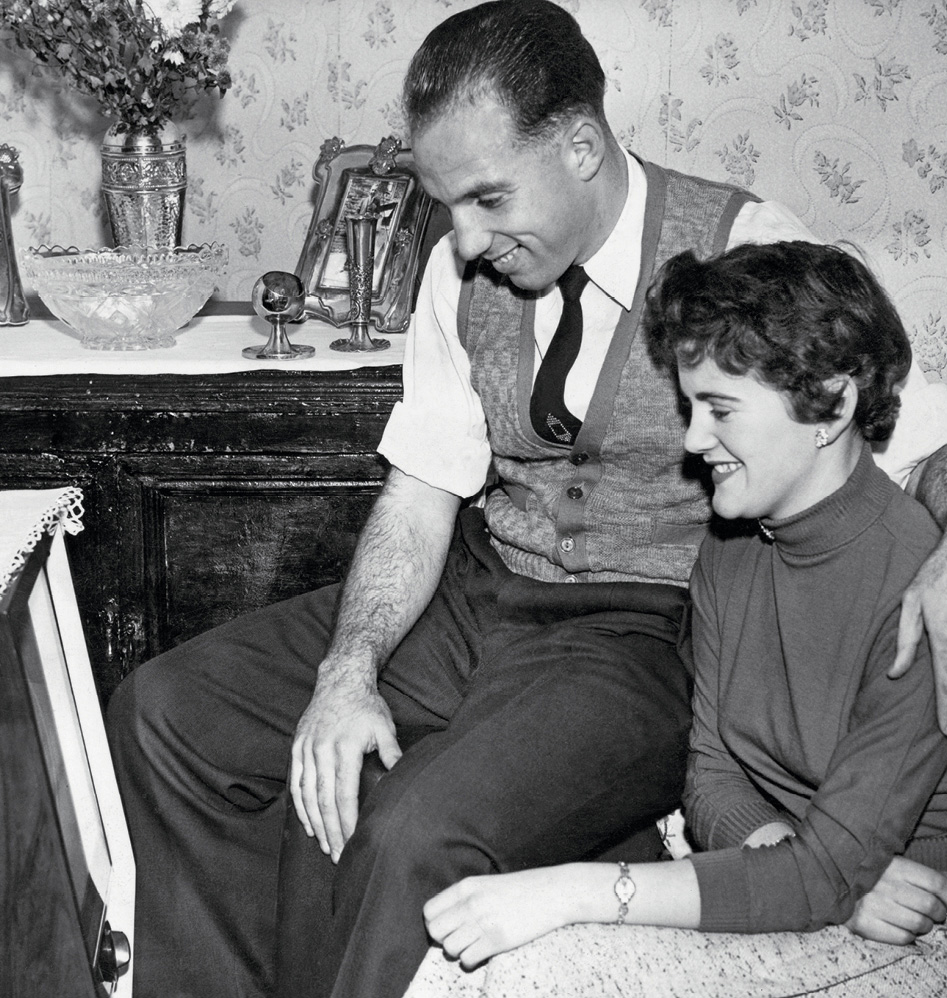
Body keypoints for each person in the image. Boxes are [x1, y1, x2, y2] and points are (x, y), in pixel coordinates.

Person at [104, 4, 947, 998]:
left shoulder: (743, 245)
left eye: (489, 198)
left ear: (581, 146)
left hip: (642, 634)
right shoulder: (458, 267)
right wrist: (347, 668)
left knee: (415, 824)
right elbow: (421, 492)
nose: (463, 237)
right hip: (481, 588)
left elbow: (913, 434)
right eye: (447, 202)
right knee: (166, 712)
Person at [417, 240, 947, 982]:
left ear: (829, 402)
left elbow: (827, 875)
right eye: (691, 407)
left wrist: (574, 891)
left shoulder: (921, 591)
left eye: (719, 409)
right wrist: (801, 860)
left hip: (900, 931)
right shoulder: (733, 539)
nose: (694, 441)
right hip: (801, 880)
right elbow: (708, 772)